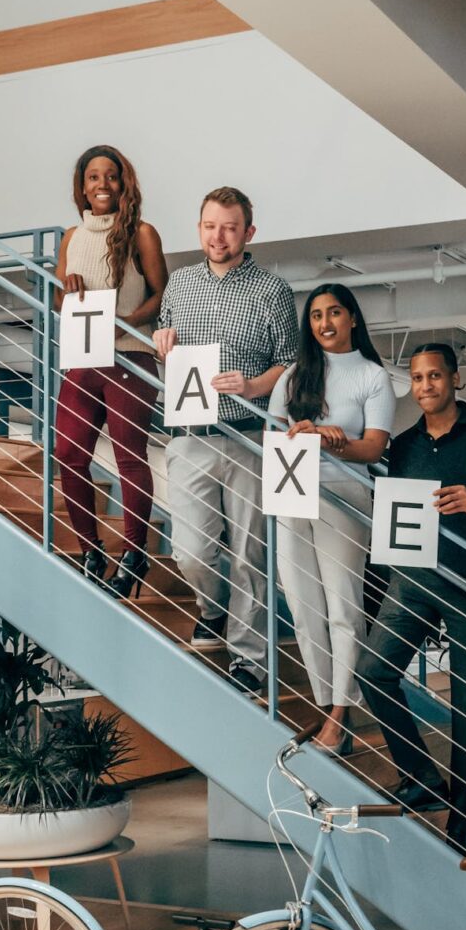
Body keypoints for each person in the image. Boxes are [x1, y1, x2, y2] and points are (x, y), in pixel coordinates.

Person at [356, 343, 466, 856]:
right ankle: (422, 776)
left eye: (435, 376)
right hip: (412, 579)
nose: (426, 386)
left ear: (455, 380)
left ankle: (464, 822)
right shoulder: (402, 446)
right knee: (372, 671)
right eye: (419, 378)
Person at [153, 187, 298, 695]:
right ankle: (212, 609)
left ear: (248, 233)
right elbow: (168, 360)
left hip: (248, 438)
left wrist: (256, 385)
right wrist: (161, 345)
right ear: (199, 229)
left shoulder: (272, 290)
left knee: (248, 554)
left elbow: (289, 362)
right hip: (188, 435)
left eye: (230, 227)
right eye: (211, 226)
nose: (219, 236)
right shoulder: (179, 284)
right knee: (189, 552)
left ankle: (249, 661)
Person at [270, 284, 395, 753]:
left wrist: (328, 439)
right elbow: (271, 435)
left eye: (335, 313)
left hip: (344, 492)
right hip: (291, 488)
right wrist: (295, 435)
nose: (325, 322)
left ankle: (340, 715)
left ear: (353, 319)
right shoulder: (293, 377)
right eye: (317, 315)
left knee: (343, 606)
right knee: (303, 606)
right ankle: (325, 705)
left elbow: (375, 447)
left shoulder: (371, 376)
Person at [54, 145, 168, 599]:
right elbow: (62, 302)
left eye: (111, 176)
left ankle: (135, 551)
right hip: (84, 359)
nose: (102, 185)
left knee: (127, 455)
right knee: (67, 452)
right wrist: (68, 292)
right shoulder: (70, 236)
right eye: (94, 177)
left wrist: (128, 323)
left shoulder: (141, 232)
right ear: (82, 185)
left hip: (127, 359)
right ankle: (91, 550)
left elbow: (162, 294)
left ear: (124, 183)